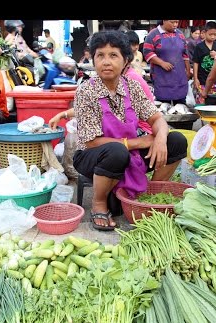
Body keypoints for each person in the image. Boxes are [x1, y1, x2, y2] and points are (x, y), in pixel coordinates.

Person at [64, 30, 187, 231]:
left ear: (125, 60)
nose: (106, 61)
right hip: (92, 155)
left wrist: (160, 139)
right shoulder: (86, 90)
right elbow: (91, 142)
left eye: (113, 55)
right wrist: (139, 142)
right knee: (117, 151)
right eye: (100, 55)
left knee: (177, 141)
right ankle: (99, 204)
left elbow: (157, 119)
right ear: (93, 59)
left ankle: (151, 193)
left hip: (127, 154)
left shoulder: (132, 85)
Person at [143, 20, 190, 104]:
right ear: (164, 21)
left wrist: (188, 70)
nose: (175, 25)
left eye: (177, 22)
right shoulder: (153, 34)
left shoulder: (180, 35)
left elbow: (185, 54)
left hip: (179, 78)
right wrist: (162, 63)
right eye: (172, 22)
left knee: (181, 106)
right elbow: (147, 52)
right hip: (162, 78)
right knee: (163, 107)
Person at [192, 21, 216, 104]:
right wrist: (195, 78)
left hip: (215, 81)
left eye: (214, 35)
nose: (212, 37)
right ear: (204, 33)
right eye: (210, 34)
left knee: (213, 102)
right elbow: (196, 62)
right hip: (202, 80)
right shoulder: (199, 47)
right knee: (201, 102)